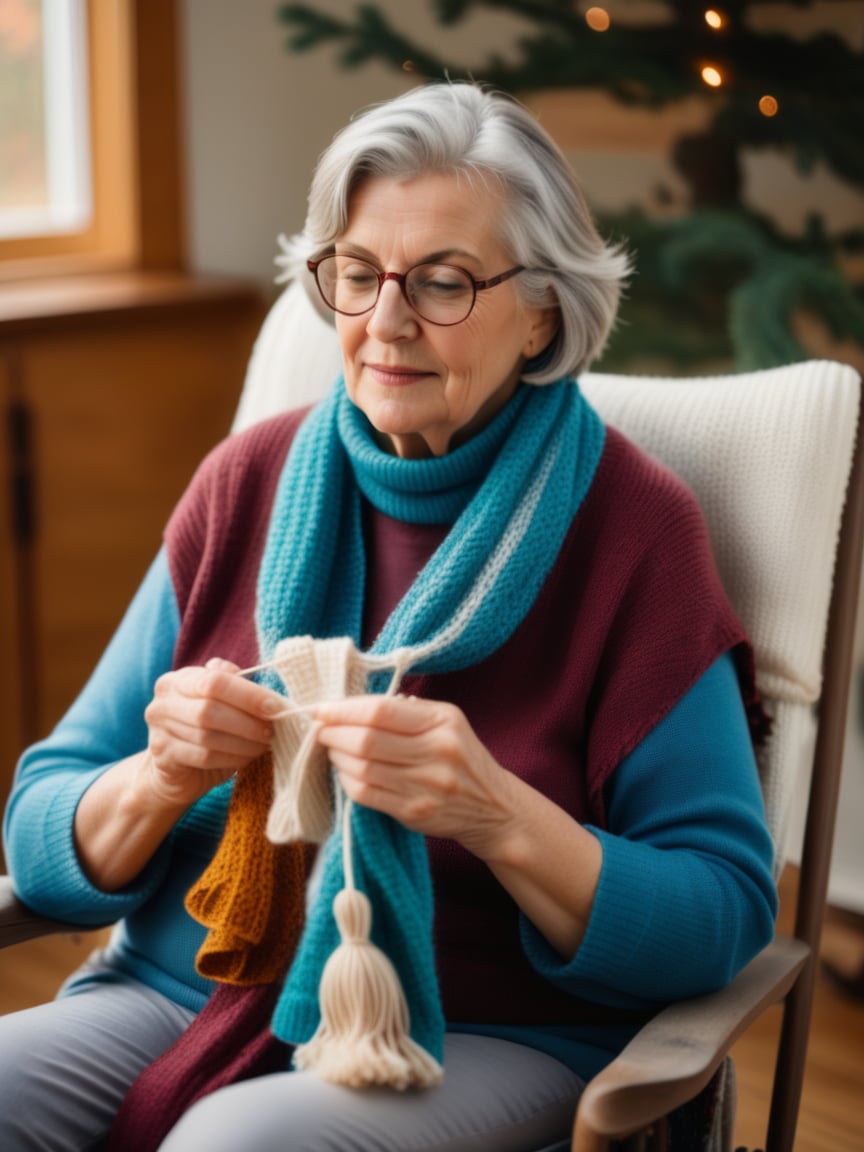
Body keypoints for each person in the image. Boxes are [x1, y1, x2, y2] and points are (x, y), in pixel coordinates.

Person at [0, 82, 777, 1152]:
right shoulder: (249, 481)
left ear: (545, 305)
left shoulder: (636, 531)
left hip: (479, 1029)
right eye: (358, 275)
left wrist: (497, 814)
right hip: (186, 984)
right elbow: (39, 830)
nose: (385, 322)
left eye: (445, 282)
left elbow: (724, 914)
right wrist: (160, 777)